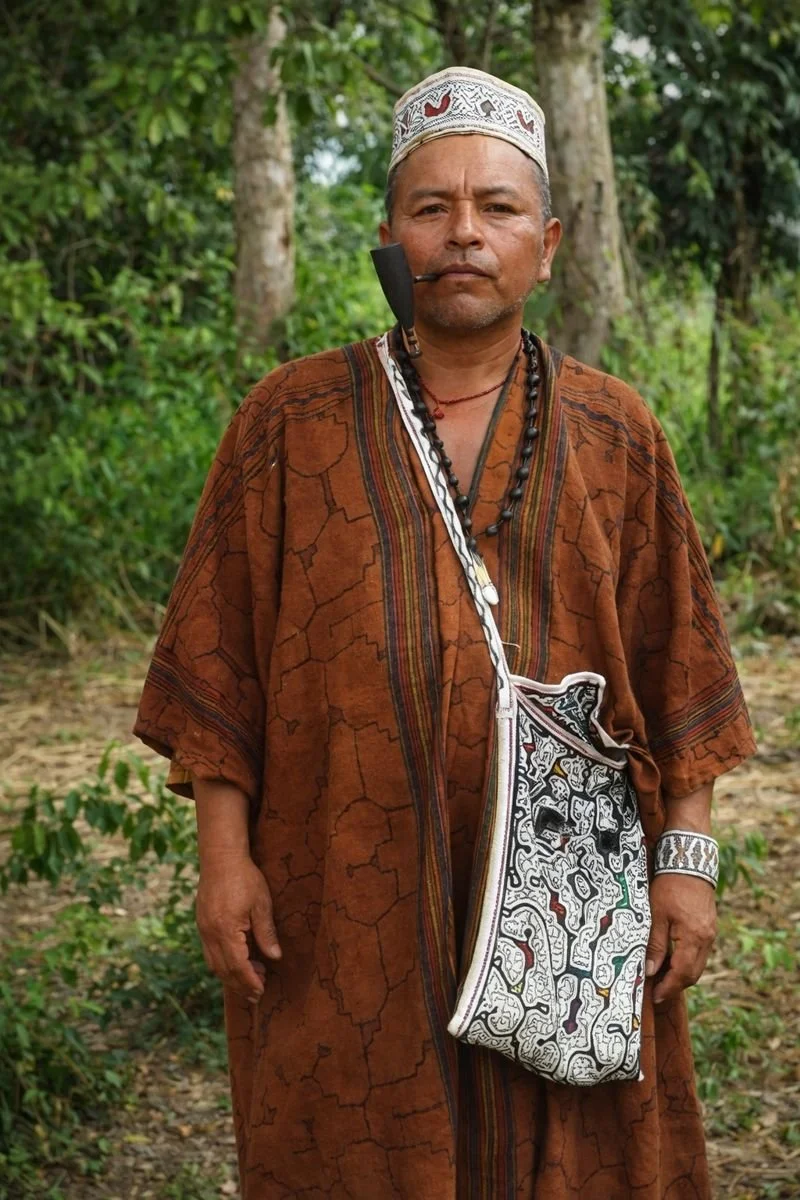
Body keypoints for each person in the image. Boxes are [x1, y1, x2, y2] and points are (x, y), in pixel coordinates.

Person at [134, 67, 755, 1199]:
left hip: (573, 908)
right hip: (340, 889)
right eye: (432, 207)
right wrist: (223, 861)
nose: (464, 232)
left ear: (546, 245)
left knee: (580, 1152)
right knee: (348, 1139)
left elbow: (680, 673)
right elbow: (220, 666)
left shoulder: (616, 430)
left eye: (497, 207)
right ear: (389, 236)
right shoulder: (289, 420)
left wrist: (687, 866)